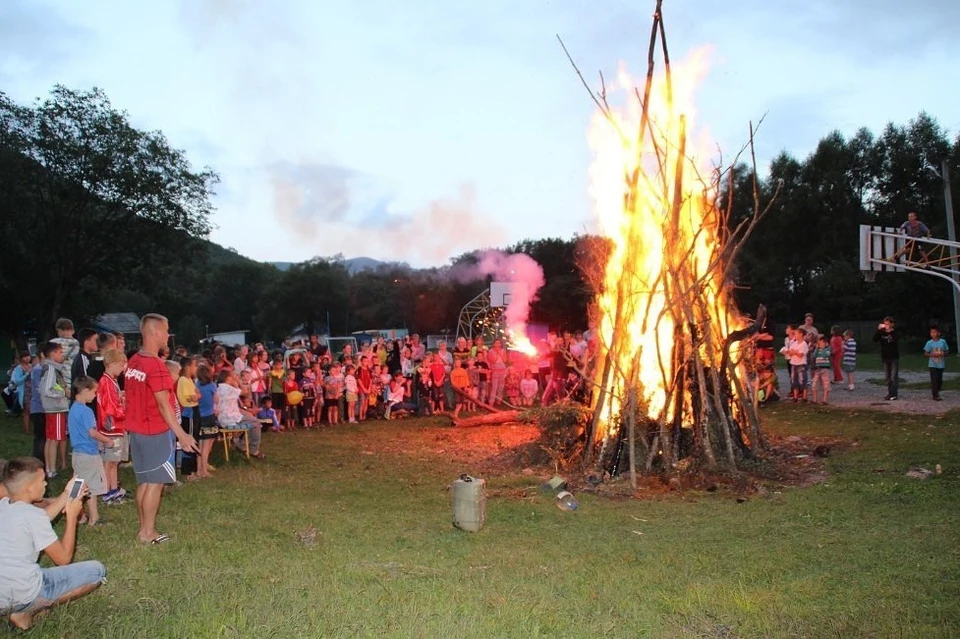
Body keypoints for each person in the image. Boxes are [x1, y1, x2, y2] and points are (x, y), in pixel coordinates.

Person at [0, 457, 106, 630]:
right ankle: (28, 610)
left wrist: (66, 495)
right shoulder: (32, 517)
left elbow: (41, 518)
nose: (46, 485)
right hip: (22, 593)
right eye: (42, 481)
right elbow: (63, 559)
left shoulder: (5, 505)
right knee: (97, 571)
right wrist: (71, 517)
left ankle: (18, 608)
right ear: (29, 488)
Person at [123, 314, 198, 545]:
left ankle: (143, 529)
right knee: (155, 484)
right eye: (166, 331)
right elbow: (164, 405)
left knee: (145, 482)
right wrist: (181, 434)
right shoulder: (156, 366)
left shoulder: (134, 361)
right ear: (155, 332)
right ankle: (148, 533)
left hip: (137, 431)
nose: (168, 335)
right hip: (155, 432)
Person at [68, 377, 117, 526]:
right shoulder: (86, 411)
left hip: (77, 454)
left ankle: (78, 515)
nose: (96, 395)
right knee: (91, 487)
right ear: (84, 391)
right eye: (94, 392)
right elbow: (91, 432)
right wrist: (106, 440)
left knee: (77, 485)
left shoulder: (73, 409)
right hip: (88, 455)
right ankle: (94, 519)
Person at [96, 349, 128, 503]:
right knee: (109, 462)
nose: (123, 369)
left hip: (116, 426)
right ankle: (107, 490)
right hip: (111, 428)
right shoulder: (106, 382)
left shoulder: (111, 380)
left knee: (114, 461)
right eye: (121, 365)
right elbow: (110, 407)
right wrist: (125, 412)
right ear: (113, 364)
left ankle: (113, 489)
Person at [216, 371, 265, 459]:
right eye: (232, 376)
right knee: (256, 423)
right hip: (230, 418)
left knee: (251, 419)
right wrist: (237, 383)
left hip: (224, 416)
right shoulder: (228, 388)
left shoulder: (219, 387)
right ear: (228, 378)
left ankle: (240, 443)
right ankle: (252, 449)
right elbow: (246, 392)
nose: (234, 378)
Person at [39, 341, 70, 478]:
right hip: (55, 408)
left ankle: (49, 468)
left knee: (51, 439)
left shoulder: (50, 368)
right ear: (52, 354)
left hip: (53, 408)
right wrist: (64, 393)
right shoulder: (51, 369)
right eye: (59, 352)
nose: (61, 354)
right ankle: (51, 470)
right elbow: (47, 390)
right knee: (54, 440)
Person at [873, 316, 900, 401]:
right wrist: (879, 330)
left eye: (888, 324)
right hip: (885, 357)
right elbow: (874, 339)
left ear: (892, 324)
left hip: (894, 357)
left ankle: (894, 394)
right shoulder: (882, 332)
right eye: (885, 323)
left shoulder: (895, 332)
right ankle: (890, 393)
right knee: (887, 377)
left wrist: (890, 332)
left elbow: (896, 339)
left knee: (893, 377)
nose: (886, 325)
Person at [780, 327, 809, 402]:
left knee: (802, 380)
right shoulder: (794, 343)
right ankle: (795, 397)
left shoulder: (804, 344)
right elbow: (790, 352)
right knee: (794, 380)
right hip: (793, 363)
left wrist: (794, 352)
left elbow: (800, 355)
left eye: (796, 333)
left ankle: (804, 397)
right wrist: (793, 352)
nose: (794, 335)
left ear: (801, 334)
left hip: (801, 364)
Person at [923, 326, 949, 401]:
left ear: (939, 333)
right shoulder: (929, 343)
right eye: (931, 332)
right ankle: (935, 395)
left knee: (939, 379)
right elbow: (925, 353)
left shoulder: (942, 342)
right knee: (934, 380)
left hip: (941, 364)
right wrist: (932, 355)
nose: (933, 334)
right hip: (932, 364)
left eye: (934, 332)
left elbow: (947, 351)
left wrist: (943, 353)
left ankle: (938, 389)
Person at [810, 336, 832, 405]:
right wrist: (816, 348)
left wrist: (823, 348)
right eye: (819, 343)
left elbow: (825, 355)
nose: (820, 344)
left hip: (825, 369)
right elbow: (814, 356)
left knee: (826, 384)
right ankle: (815, 399)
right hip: (818, 368)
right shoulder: (817, 349)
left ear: (826, 343)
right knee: (814, 383)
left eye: (822, 343)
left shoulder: (828, 349)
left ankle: (824, 400)